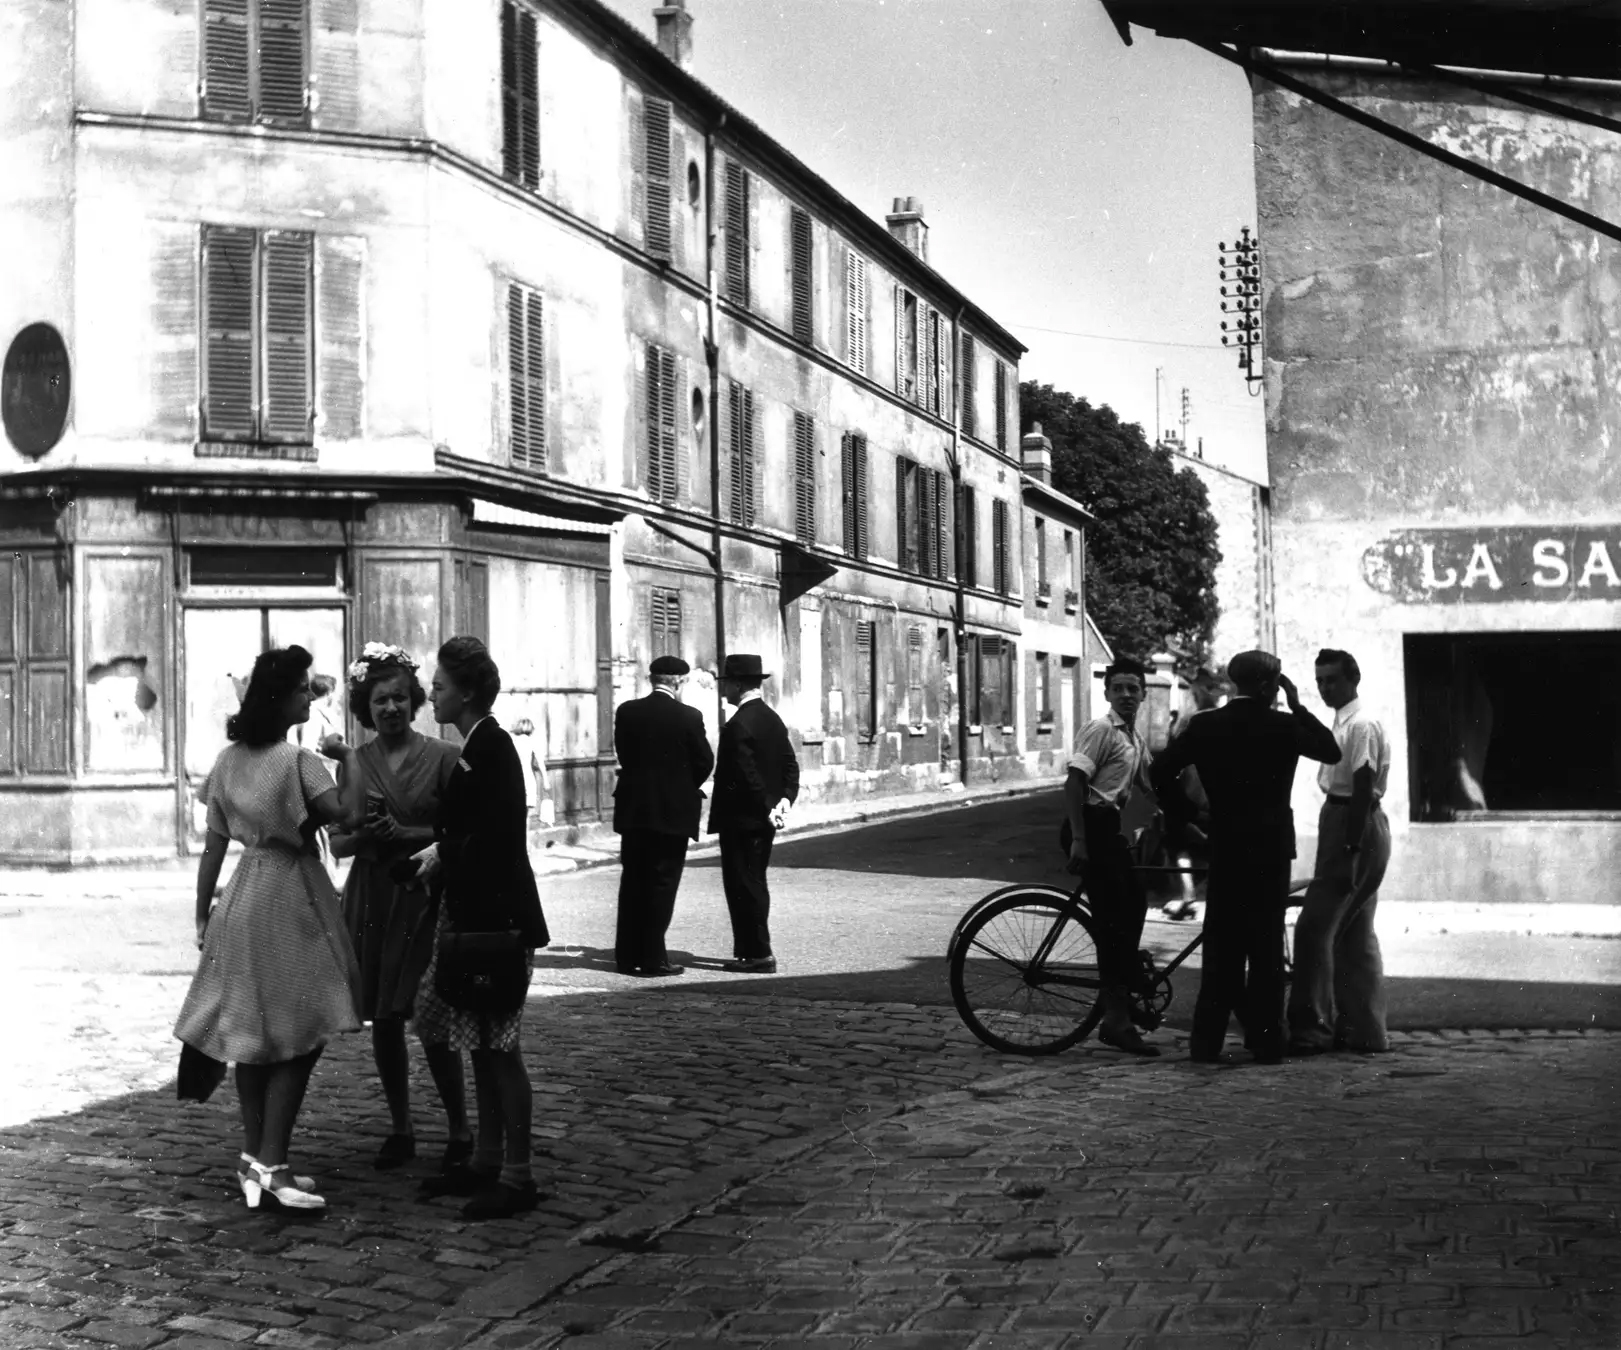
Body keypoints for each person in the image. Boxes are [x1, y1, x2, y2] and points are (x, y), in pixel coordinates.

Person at [174, 645, 365, 1213]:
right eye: (304, 688)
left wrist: (203, 914)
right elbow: (349, 815)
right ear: (281, 697)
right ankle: (273, 1166)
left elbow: (212, 847)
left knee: (254, 1037)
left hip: (242, 895)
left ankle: (254, 1157)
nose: (311, 695)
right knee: (302, 1033)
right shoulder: (298, 760)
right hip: (292, 897)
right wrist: (349, 757)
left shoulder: (229, 760)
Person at [411, 637, 550, 1220]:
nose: (431, 695)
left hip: (497, 922)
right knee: (479, 1045)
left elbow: (495, 841)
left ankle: (516, 1176)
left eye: (439, 686)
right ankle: (487, 1162)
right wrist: (441, 851)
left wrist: (443, 852)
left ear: (465, 693)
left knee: (500, 1050)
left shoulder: (491, 747)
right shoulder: (477, 745)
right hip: (477, 917)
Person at [1150, 651, 1341, 1064]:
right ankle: (1268, 1043)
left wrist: (1187, 816)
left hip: (1225, 844)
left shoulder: (1206, 725)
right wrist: (1298, 705)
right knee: (1266, 950)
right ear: (1270, 685)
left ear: (1236, 682)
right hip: (1270, 850)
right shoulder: (1285, 725)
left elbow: (1159, 771)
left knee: (1222, 948)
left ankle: (1207, 1044)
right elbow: (1331, 751)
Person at [328, 643, 465, 1172]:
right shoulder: (354, 763)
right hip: (372, 899)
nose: (391, 709)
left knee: (432, 1017)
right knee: (384, 1018)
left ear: (414, 702)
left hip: (424, 897)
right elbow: (338, 844)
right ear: (367, 706)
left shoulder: (445, 758)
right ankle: (401, 1127)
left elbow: (460, 833)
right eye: (380, 700)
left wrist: (407, 832)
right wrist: (362, 833)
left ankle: (459, 1129)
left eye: (400, 699)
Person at [1288, 648, 1393, 1055]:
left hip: (1353, 820)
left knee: (1314, 931)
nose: (1325, 687)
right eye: (1320, 681)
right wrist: (1299, 707)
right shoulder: (1345, 720)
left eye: (1332, 680)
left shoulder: (1361, 724)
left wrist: (1349, 847)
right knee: (1355, 934)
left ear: (1354, 678)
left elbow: (1363, 785)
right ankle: (1366, 1031)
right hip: (1358, 821)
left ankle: (1312, 1031)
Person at [1064, 657, 1161, 1056]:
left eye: (1132, 689)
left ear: (1142, 694)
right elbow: (1074, 784)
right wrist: (1080, 840)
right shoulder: (1101, 730)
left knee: (1135, 904)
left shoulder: (1133, 740)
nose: (1125, 695)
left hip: (1109, 828)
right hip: (1089, 826)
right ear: (1107, 693)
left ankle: (1122, 994)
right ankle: (1116, 1018)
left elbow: (1152, 787)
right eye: (1118, 688)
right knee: (1114, 924)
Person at [612, 655, 716, 976]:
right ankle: (654, 957)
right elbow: (704, 761)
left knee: (633, 881)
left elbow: (625, 755)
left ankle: (628, 955)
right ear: (680, 682)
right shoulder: (689, 716)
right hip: (672, 815)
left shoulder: (627, 711)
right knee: (662, 884)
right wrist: (681, 788)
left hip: (634, 811)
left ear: (651, 679)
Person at [708, 654, 799, 974]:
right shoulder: (772, 718)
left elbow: (747, 777)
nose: (724, 691)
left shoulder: (737, 725)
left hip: (742, 820)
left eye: (726, 684)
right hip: (764, 819)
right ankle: (753, 950)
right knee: (755, 882)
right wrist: (784, 801)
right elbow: (790, 765)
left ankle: (757, 953)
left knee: (743, 886)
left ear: (736, 684)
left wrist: (767, 806)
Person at [1160, 668, 1228, 921]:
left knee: (1178, 841)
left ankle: (1189, 894)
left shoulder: (1188, 721)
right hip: (1219, 795)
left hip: (1192, 794)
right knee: (1215, 845)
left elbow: (1171, 760)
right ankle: (1205, 897)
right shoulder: (1226, 718)